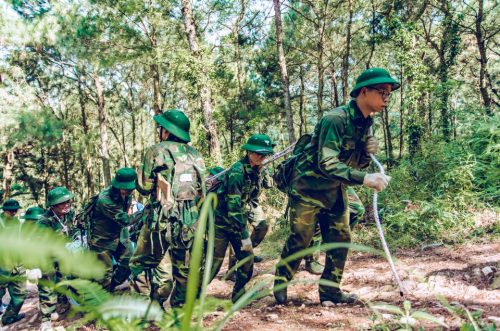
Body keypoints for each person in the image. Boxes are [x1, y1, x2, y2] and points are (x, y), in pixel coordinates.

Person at [273, 68, 399, 306]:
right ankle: (281, 281)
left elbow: (354, 163)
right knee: (300, 238)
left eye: (388, 95)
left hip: (334, 189)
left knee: (341, 238)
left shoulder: (366, 123)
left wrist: (366, 153)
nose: (386, 98)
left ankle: (330, 291)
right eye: (382, 92)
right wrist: (365, 178)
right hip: (308, 188)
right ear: (364, 91)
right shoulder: (336, 119)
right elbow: (327, 162)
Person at [129, 109, 206, 308]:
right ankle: (179, 312)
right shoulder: (196, 155)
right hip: (190, 222)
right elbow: (201, 190)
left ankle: (146, 309)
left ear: (167, 131)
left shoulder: (157, 151)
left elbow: (144, 187)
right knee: (184, 271)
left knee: (141, 263)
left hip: (160, 220)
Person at [209, 134, 274, 302]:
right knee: (212, 267)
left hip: (238, 222)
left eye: (264, 154)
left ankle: (238, 294)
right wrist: (245, 236)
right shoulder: (237, 172)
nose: (262, 157)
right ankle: (187, 299)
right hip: (222, 224)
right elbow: (233, 208)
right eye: (258, 153)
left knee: (247, 260)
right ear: (248, 152)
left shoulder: (256, 170)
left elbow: (262, 189)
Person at [88, 168, 141, 291]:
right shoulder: (105, 199)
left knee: (130, 260)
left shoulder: (127, 194)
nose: (127, 191)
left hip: (120, 236)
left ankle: (112, 286)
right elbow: (125, 220)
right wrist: (145, 212)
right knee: (104, 274)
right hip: (102, 240)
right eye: (125, 189)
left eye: (130, 189)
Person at [303, 187, 366, 275]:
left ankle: (335, 241)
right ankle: (311, 260)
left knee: (357, 208)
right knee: (317, 213)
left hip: (338, 178)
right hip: (315, 180)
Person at [37, 187, 76, 329]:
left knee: (64, 279)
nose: (66, 205)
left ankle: (62, 306)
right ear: (53, 205)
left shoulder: (69, 214)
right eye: (62, 203)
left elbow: (73, 229)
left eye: (68, 201)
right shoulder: (44, 221)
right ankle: (46, 317)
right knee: (47, 286)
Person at [0, 199, 27, 326]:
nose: (13, 212)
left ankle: (9, 317)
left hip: (18, 263)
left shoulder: (18, 222)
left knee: (20, 292)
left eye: (15, 210)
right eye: (11, 210)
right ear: (4, 210)